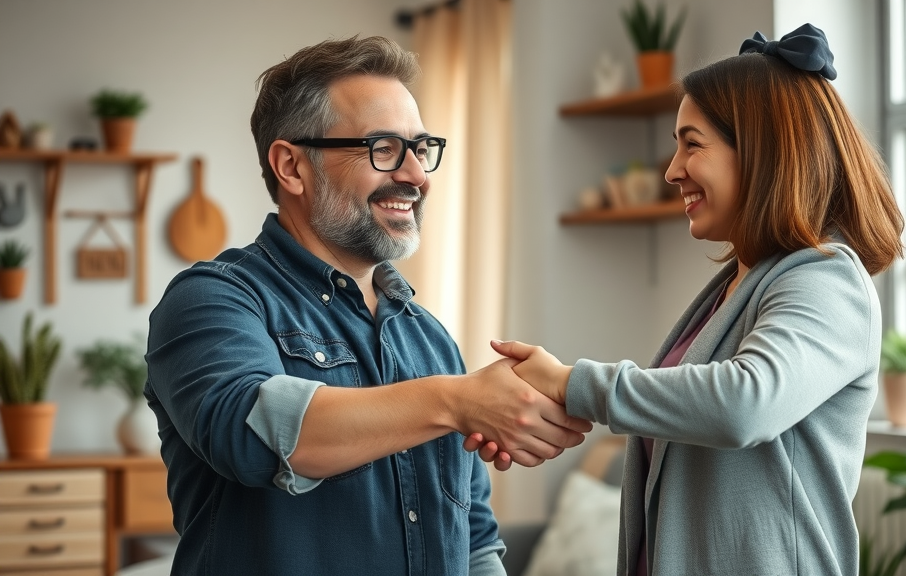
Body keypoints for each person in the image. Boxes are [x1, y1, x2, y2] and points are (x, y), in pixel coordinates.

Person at [145, 35, 591, 576]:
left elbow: (474, 540)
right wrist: (456, 401)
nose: (417, 176)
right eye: (383, 148)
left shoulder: (429, 338)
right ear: (291, 166)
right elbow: (248, 434)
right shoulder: (213, 298)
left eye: (420, 149)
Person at [468, 23, 904, 576]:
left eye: (691, 144)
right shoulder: (734, 289)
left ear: (763, 153)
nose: (672, 170)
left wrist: (571, 384)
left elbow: (745, 403)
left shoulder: (826, 279)